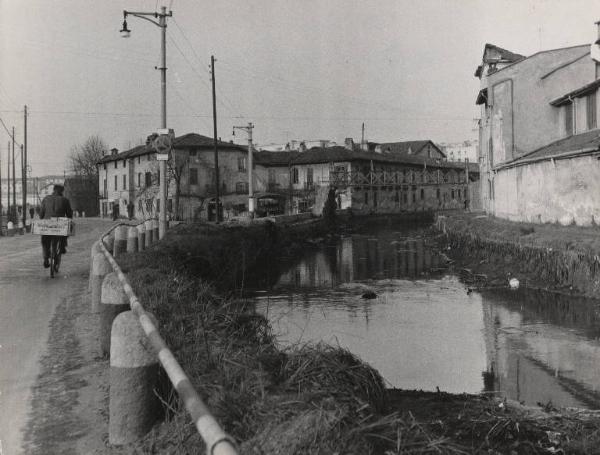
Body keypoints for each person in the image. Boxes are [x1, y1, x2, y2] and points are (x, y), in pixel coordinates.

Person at [39, 184, 73, 268]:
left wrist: (43, 217)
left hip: (47, 225)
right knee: (65, 232)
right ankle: (62, 247)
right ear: (61, 191)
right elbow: (69, 214)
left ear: (53, 190)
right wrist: (68, 218)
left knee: (44, 241)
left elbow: (41, 214)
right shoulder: (65, 200)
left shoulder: (46, 199)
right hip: (59, 225)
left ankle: (46, 258)